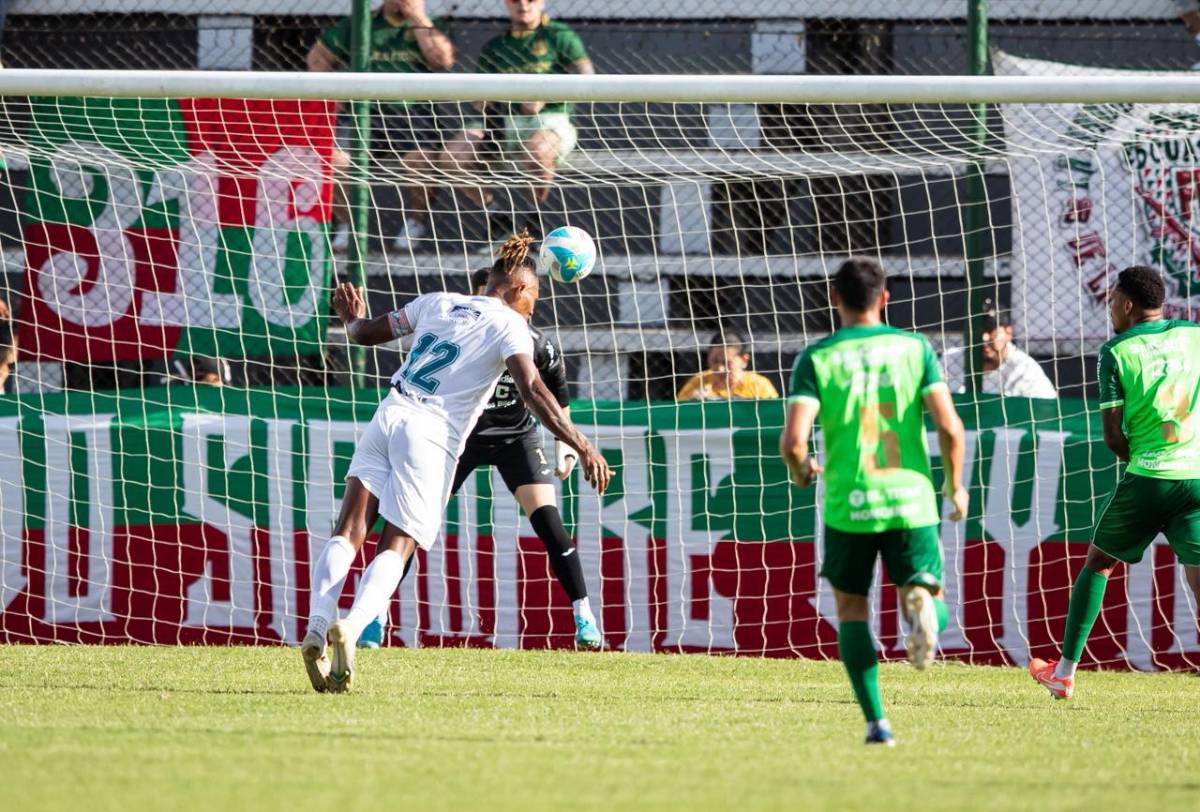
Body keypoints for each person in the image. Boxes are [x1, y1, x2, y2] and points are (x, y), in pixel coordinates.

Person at [301, 232, 611, 692]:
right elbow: (533, 390)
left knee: (349, 528)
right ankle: (353, 622)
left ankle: (316, 624)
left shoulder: (438, 301)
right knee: (398, 543)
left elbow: (366, 334)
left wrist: (352, 320)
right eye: (536, 296)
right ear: (520, 290)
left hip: (388, 412)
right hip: (430, 435)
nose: (534, 308)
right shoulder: (511, 325)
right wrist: (582, 443)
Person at [359, 265, 601, 651]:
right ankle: (374, 614)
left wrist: (567, 447)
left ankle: (584, 614)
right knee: (405, 523)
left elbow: (556, 396)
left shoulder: (532, 342)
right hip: (459, 438)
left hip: (515, 438)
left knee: (550, 523)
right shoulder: (465, 327)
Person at [779, 257, 968, 747]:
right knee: (928, 592)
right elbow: (949, 426)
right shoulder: (915, 348)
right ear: (885, 299)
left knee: (852, 610)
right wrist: (956, 482)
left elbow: (794, 442)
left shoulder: (816, 358)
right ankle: (923, 606)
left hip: (850, 501)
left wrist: (801, 473)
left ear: (832, 297)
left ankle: (877, 723)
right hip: (910, 498)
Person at [1030, 266, 1200, 699]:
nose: (1109, 309)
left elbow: (1112, 436)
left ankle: (1063, 672)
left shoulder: (1117, 351)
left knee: (1099, 563)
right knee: (1198, 573)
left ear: (1127, 304)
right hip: (1195, 477)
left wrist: (1137, 456)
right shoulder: (1192, 335)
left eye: (1111, 301)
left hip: (1149, 477)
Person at [438, 0, 593, 248]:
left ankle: (534, 220)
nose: (523, 5)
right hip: (505, 123)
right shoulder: (496, 46)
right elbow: (479, 99)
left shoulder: (559, 36)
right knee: (452, 157)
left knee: (536, 152)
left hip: (550, 120)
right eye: (515, 0)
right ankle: (496, 215)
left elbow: (587, 78)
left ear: (541, 2)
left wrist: (545, 97)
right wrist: (496, 103)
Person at [307, 0, 454, 252]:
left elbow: (443, 61)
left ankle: (415, 223)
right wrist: (335, 94)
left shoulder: (430, 27)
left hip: (412, 115)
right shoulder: (360, 24)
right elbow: (317, 58)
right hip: (365, 113)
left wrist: (418, 18)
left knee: (421, 159)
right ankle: (347, 225)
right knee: (335, 159)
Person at [943, 303, 1057, 399]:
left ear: (1008, 332)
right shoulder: (950, 360)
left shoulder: (1025, 369)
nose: (984, 338)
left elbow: (1047, 413)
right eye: (978, 331)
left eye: (990, 330)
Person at [676, 330, 779, 401]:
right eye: (714, 361)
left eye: (727, 363)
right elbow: (678, 414)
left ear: (744, 360)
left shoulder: (759, 385)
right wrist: (691, 402)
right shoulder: (699, 382)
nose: (720, 369)